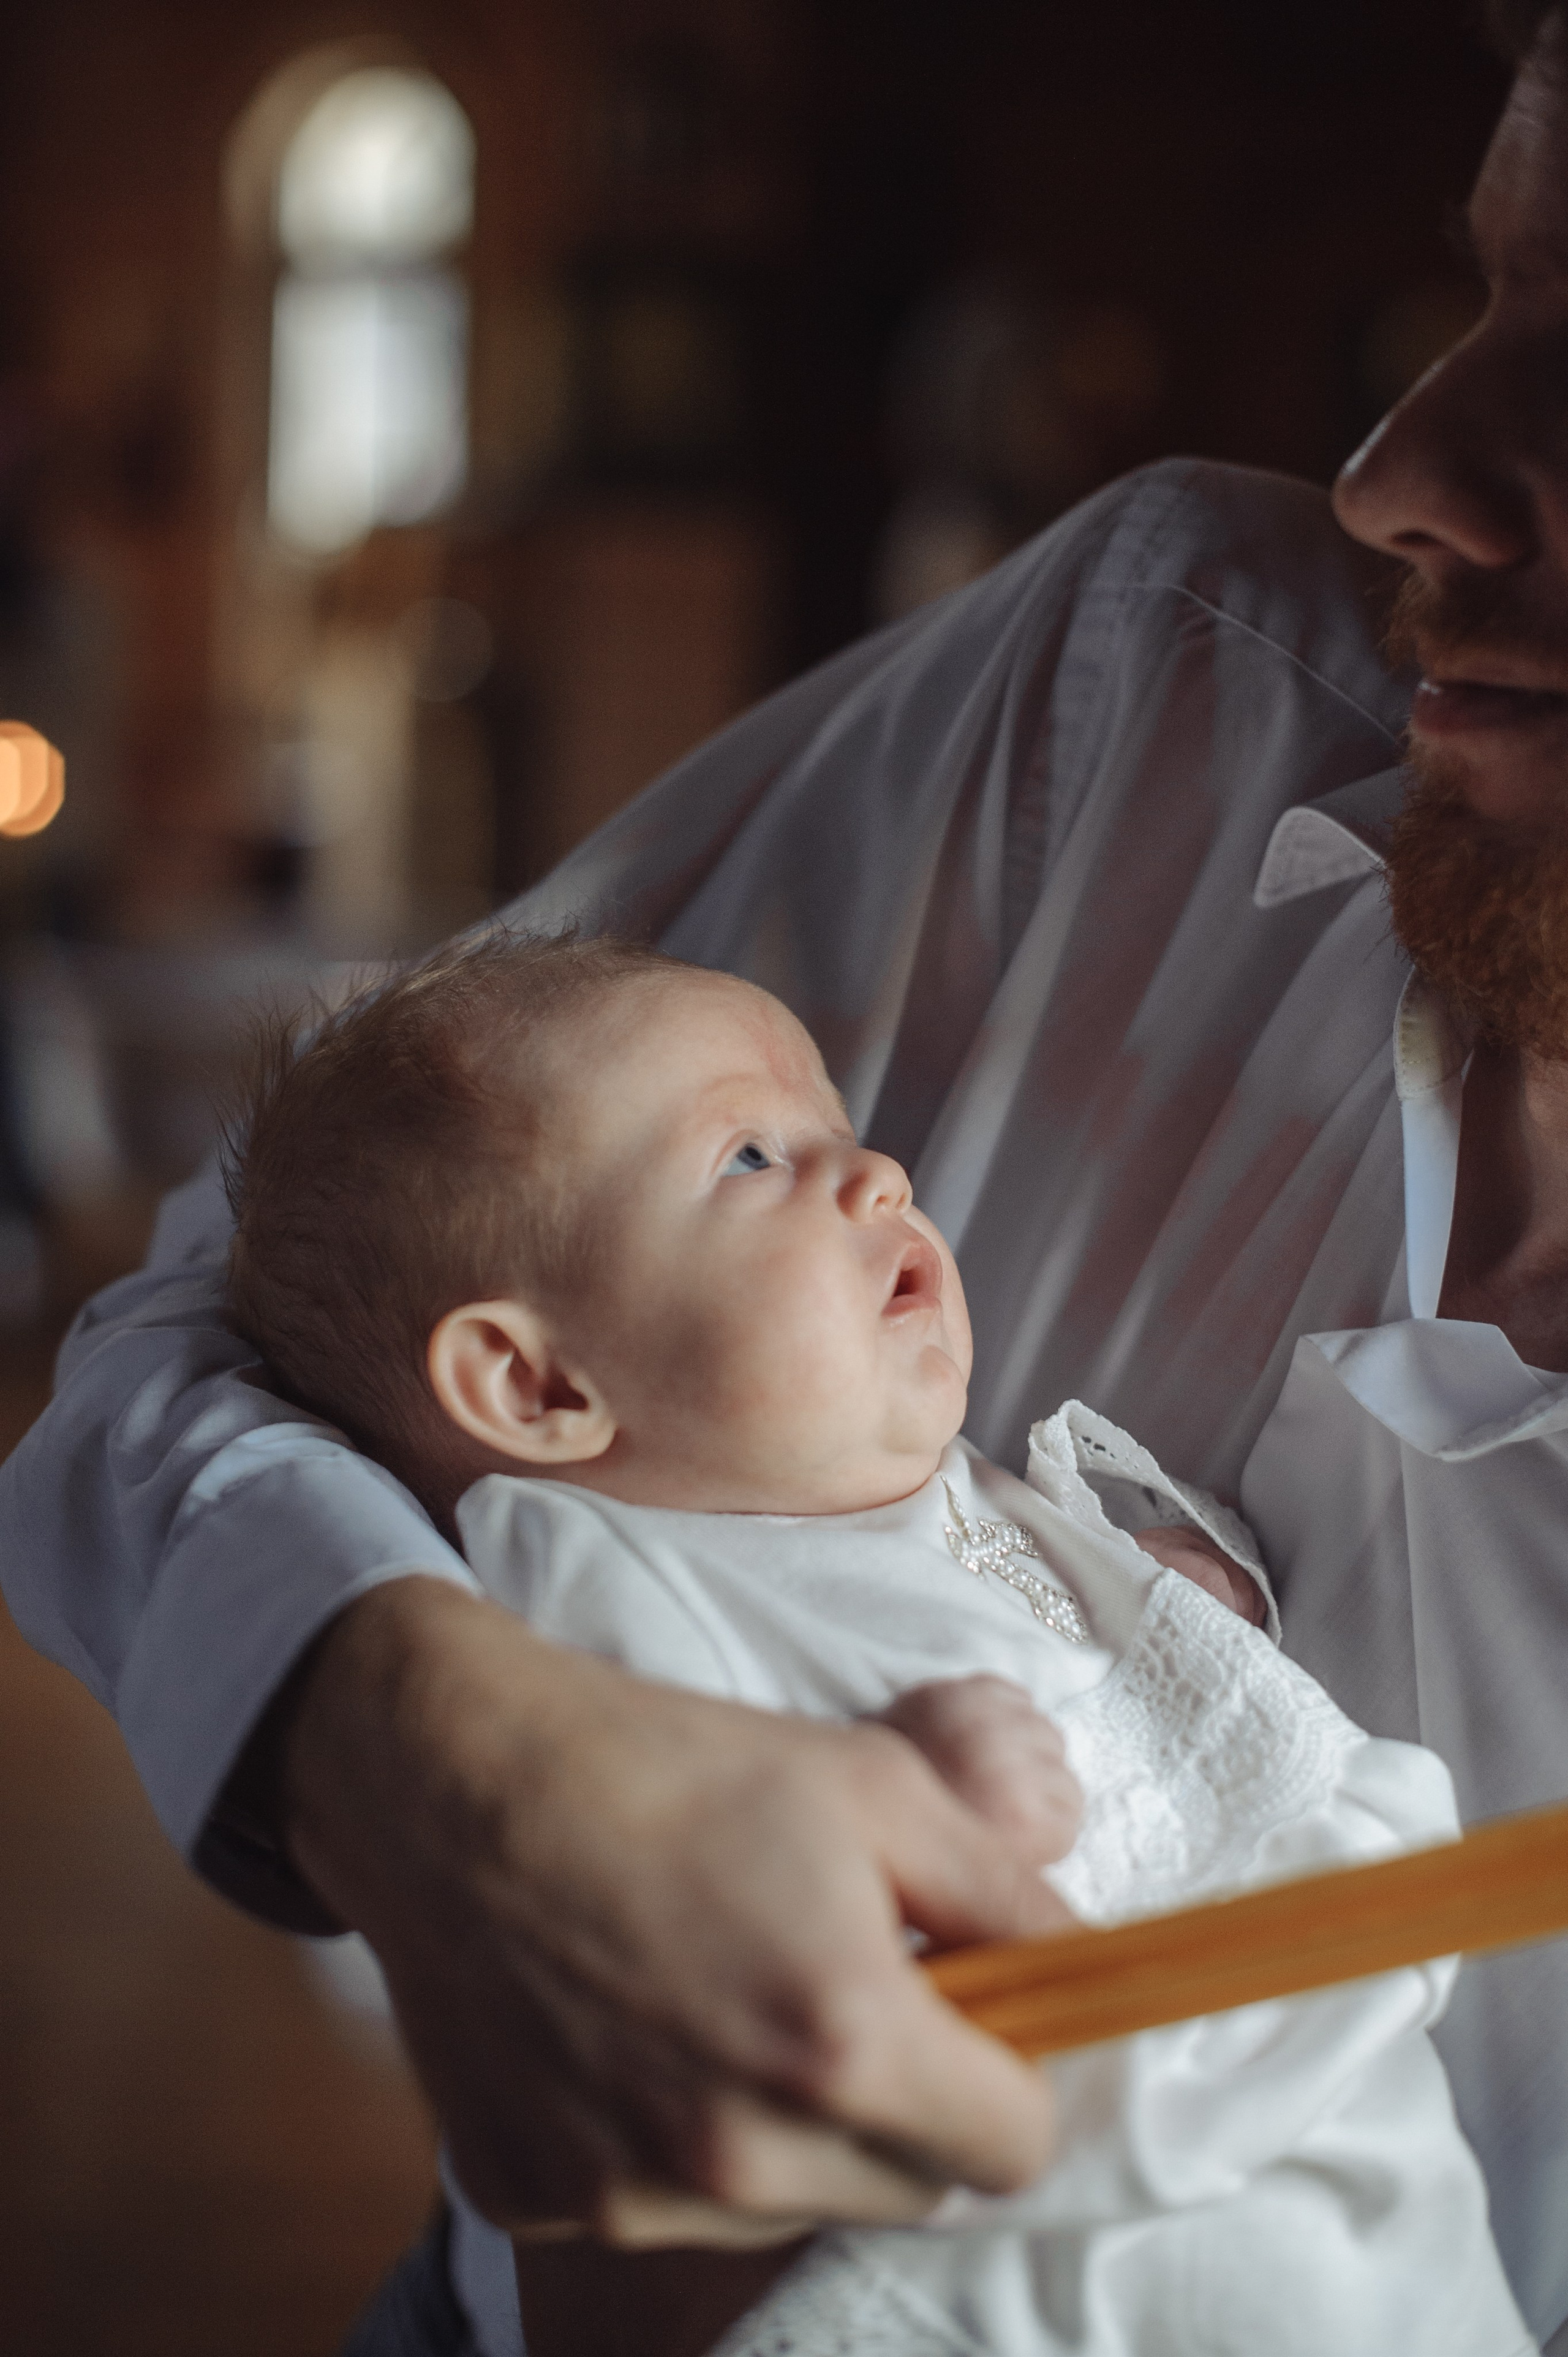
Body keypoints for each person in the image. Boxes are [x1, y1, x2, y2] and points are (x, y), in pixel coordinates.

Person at [4, 0, 1568, 2345]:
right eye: (1501, 284)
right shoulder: (1161, 685)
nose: (1398, 468)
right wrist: (420, 1733)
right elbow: (209, 1322)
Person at [221, 927, 1526, 2357]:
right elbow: (675, 1881)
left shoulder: (912, 1476)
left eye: (839, 1133)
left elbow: (1020, 1598)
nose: (879, 1174)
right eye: (748, 1161)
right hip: (1012, 2240)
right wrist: (901, 1766)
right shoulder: (598, 1576)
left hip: (1311, 2132)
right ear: (534, 1382)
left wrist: (1164, 1598)